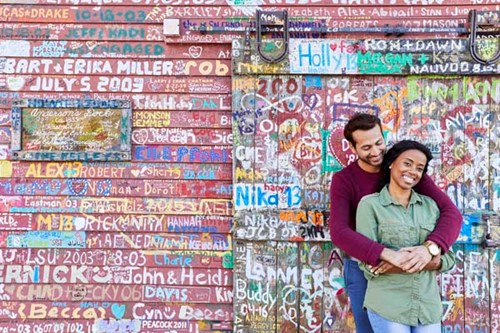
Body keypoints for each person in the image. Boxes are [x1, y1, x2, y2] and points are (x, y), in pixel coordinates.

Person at [329, 114, 462, 333]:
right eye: (366, 147)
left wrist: (429, 249)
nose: (375, 152)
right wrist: (388, 255)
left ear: (384, 136)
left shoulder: (404, 169)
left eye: (379, 143)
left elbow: (451, 214)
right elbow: (339, 232)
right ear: (353, 148)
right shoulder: (345, 179)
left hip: (413, 264)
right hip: (365, 265)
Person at [356, 140, 456, 332]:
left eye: (419, 168)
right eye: (407, 163)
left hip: (427, 307)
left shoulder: (430, 207)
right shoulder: (370, 205)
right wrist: (425, 260)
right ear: (392, 162)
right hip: (388, 306)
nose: (413, 171)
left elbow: (449, 257)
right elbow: (368, 264)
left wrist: (423, 255)